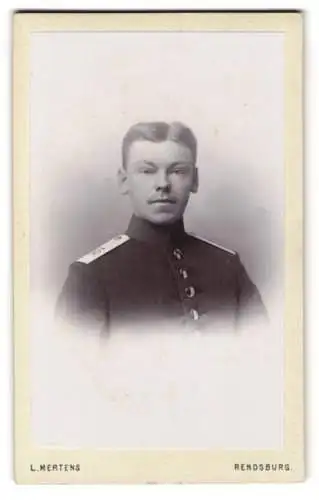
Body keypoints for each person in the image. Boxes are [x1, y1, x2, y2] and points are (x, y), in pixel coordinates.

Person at [56, 121, 266, 335]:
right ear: (123, 181)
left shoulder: (228, 266)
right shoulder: (91, 276)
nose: (163, 184)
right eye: (147, 171)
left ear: (194, 180)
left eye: (177, 171)